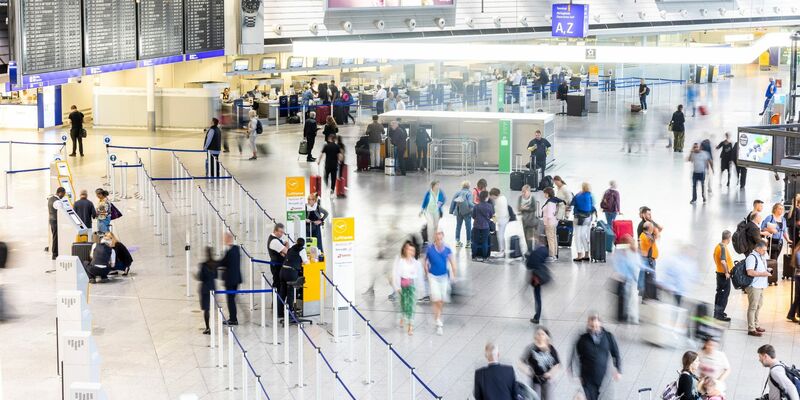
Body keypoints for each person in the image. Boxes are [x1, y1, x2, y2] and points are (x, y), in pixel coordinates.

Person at [570, 313, 622, 400]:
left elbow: (615, 353)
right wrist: (575, 373)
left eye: (596, 326)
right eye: (592, 326)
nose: (594, 329)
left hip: (603, 376)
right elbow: (575, 356)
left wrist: (618, 369)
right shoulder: (583, 339)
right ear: (588, 325)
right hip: (587, 378)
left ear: (600, 324)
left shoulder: (608, 337)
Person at [424, 229, 456, 335]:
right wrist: (427, 272)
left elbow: (452, 262)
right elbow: (425, 262)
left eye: (440, 234)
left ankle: (437, 316)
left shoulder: (447, 249)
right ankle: (437, 319)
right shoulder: (430, 249)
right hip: (433, 277)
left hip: (444, 277)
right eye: (437, 234)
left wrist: (453, 275)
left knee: (441, 300)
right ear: (435, 236)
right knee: (436, 299)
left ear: (443, 236)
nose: (439, 236)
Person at [519, 327, 560, 400]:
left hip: (548, 381)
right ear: (535, 336)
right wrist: (527, 371)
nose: (540, 336)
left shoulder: (551, 348)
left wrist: (551, 373)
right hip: (535, 380)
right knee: (535, 397)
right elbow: (521, 362)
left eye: (542, 334)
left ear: (547, 336)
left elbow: (557, 364)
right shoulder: (530, 348)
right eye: (538, 334)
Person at [613, 234, 642, 324]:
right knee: (631, 297)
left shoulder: (630, 251)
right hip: (628, 278)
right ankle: (632, 317)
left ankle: (631, 316)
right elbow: (631, 265)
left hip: (630, 278)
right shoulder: (626, 250)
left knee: (630, 297)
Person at [393, 241, 420, 335]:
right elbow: (397, 274)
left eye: (412, 250)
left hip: (411, 286)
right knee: (404, 303)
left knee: (411, 305)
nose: (411, 252)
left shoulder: (415, 262)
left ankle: (410, 326)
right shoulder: (401, 261)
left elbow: (417, 275)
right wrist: (397, 286)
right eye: (409, 249)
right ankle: (402, 316)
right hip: (403, 285)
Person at [745, 240, 771, 337]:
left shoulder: (760, 256)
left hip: (760, 285)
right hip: (754, 286)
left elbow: (760, 269)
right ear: (758, 248)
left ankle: (756, 325)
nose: (764, 252)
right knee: (753, 307)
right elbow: (750, 272)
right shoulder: (751, 257)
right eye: (763, 250)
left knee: (759, 306)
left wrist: (766, 271)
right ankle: (751, 329)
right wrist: (762, 274)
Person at [279, 238, 309, 321]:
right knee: (290, 293)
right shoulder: (302, 250)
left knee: (282, 292)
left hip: (282, 271)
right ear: (303, 244)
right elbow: (306, 262)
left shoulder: (291, 248)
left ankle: (280, 312)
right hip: (291, 273)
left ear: (296, 242)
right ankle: (289, 313)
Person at [219, 233, 241, 325]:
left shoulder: (229, 252)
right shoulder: (236, 249)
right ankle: (233, 318)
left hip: (230, 280)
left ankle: (233, 319)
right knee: (232, 299)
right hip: (236, 279)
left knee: (230, 300)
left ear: (228, 239)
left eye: (224, 239)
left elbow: (222, 262)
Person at [570, 182, 594, 262]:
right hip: (588, 217)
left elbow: (572, 203)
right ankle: (587, 254)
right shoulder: (590, 195)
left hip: (579, 217)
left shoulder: (579, 195)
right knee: (583, 235)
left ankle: (579, 255)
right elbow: (592, 205)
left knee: (577, 236)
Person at [267, 223, 289, 311]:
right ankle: (277, 306)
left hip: (278, 265)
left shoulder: (276, 239)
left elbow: (284, 249)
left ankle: (278, 304)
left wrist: (283, 250)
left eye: (283, 232)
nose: (282, 234)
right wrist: (284, 249)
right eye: (280, 232)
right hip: (277, 266)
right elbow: (287, 251)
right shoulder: (274, 241)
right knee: (277, 284)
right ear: (275, 230)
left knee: (278, 284)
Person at [713, 230, 733, 321]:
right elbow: (723, 261)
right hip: (723, 275)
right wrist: (726, 272)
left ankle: (717, 313)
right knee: (724, 295)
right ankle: (719, 315)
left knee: (719, 294)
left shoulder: (718, 246)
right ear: (729, 238)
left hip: (719, 273)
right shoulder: (723, 248)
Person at [197, 247, 217, 335]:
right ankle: (211, 327)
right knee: (211, 308)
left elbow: (201, 277)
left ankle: (208, 327)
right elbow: (216, 276)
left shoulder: (203, 265)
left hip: (205, 289)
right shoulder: (215, 264)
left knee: (206, 310)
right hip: (212, 288)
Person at [638, 221, 660, 299]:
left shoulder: (647, 235)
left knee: (649, 277)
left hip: (650, 260)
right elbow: (653, 240)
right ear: (649, 228)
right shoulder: (644, 236)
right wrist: (656, 230)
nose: (653, 228)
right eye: (652, 227)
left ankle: (648, 294)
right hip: (648, 260)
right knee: (648, 277)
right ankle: (645, 295)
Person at [449, 181, 473, 248]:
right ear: (469, 186)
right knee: (468, 227)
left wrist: (451, 211)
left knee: (458, 227)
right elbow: (470, 203)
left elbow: (453, 202)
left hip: (458, 212)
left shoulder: (458, 193)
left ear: (462, 186)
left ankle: (457, 242)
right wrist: (476, 207)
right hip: (467, 212)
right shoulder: (469, 193)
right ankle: (468, 242)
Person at [472, 191, 495, 261]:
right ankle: (485, 258)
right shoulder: (490, 206)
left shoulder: (476, 206)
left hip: (476, 226)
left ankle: (474, 257)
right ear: (486, 197)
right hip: (485, 226)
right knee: (485, 242)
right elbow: (491, 216)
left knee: (475, 241)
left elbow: (473, 216)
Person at [46, 188, 66, 259]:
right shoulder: (57, 202)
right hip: (55, 221)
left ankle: (55, 253)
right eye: (63, 194)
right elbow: (61, 213)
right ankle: (55, 254)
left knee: (54, 237)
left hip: (51, 220)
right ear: (60, 193)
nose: (63, 196)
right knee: (56, 237)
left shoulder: (51, 198)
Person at [518, 185, 539, 250]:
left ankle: (531, 250)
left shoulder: (532, 198)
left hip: (531, 220)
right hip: (523, 220)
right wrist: (522, 208)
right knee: (525, 236)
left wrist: (526, 208)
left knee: (530, 236)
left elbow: (534, 208)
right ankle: (528, 249)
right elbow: (519, 208)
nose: (523, 193)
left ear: (529, 192)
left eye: (525, 192)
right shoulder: (520, 198)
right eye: (522, 192)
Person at [489, 188, 509, 256]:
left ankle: (502, 251)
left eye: (491, 196)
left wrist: (493, 220)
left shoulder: (498, 201)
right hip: (505, 219)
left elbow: (497, 213)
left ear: (494, 195)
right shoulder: (503, 198)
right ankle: (502, 250)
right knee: (501, 235)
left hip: (501, 220)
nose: (491, 198)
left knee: (500, 236)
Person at [541, 187, 560, 259]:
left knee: (550, 239)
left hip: (549, 223)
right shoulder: (553, 201)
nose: (544, 195)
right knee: (554, 238)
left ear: (547, 194)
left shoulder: (549, 203)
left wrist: (546, 223)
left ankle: (552, 255)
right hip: (554, 222)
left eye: (544, 193)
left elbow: (549, 215)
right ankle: (555, 254)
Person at [787, 245, 800, 322]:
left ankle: (791, 314)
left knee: (798, 297)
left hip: (798, 276)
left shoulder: (797, 252)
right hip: (799, 276)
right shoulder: (798, 253)